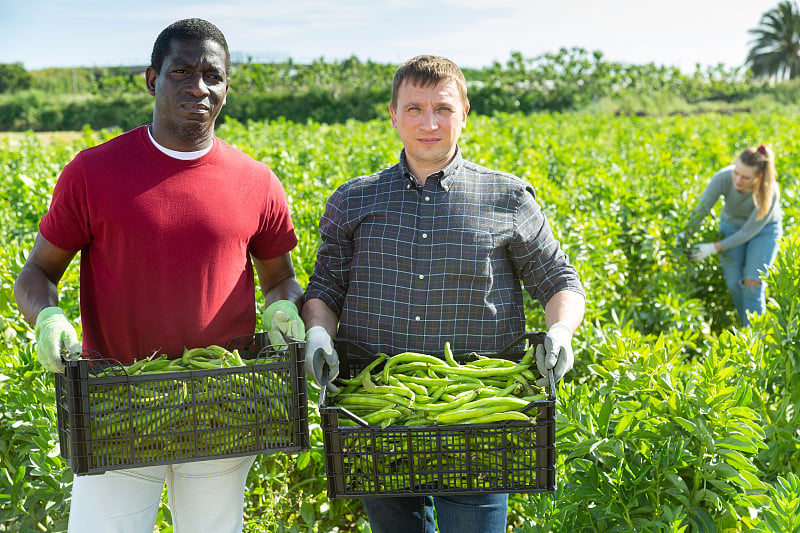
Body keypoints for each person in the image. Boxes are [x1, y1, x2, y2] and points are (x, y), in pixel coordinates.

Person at [14, 18, 304, 533]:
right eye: (182, 72)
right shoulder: (93, 172)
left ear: (227, 86)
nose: (199, 87)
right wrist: (49, 318)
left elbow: (280, 278)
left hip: (222, 405)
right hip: (117, 403)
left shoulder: (256, 180)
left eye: (213, 75)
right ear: (153, 78)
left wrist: (282, 306)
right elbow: (38, 271)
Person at [301, 55, 586, 533]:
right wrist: (317, 334)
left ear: (465, 113)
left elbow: (559, 280)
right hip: (377, 419)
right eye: (414, 109)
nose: (428, 123)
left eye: (443, 108)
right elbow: (325, 288)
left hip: (478, 417)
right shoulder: (354, 199)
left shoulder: (508, 197)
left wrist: (560, 330)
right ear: (393, 115)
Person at [680, 144, 783, 327]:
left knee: (752, 284)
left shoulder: (769, 191)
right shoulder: (722, 178)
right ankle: (746, 328)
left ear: (758, 177)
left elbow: (748, 232)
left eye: (745, 177)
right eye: (736, 172)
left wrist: (713, 248)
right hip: (731, 226)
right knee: (734, 285)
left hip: (763, 232)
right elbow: (701, 210)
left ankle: (756, 339)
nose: (737, 179)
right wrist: (684, 234)